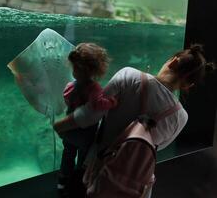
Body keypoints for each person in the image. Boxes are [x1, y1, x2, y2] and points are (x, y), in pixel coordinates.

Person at [54, 44, 210, 197]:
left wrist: (61, 125)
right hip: (133, 187)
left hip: (98, 174)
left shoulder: (129, 75)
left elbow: (92, 113)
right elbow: (153, 147)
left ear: (173, 61)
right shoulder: (181, 117)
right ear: (189, 84)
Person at [57, 43, 118, 197]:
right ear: (96, 69)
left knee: (68, 154)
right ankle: (78, 181)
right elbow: (98, 104)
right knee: (83, 157)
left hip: (69, 132)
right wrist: (112, 102)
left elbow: (66, 98)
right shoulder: (94, 88)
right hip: (85, 134)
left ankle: (63, 180)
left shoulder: (70, 86)